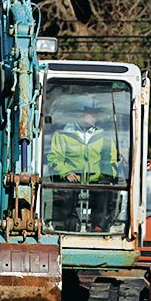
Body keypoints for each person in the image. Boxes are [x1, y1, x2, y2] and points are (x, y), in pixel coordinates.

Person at [46, 99, 118, 231]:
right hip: (72, 179)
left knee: (104, 192)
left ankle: (99, 227)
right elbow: (54, 158)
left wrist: (107, 176)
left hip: (95, 179)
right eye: (90, 113)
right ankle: (69, 225)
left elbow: (111, 158)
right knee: (67, 194)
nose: (94, 117)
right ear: (79, 114)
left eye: (95, 114)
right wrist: (65, 172)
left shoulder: (103, 136)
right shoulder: (63, 135)